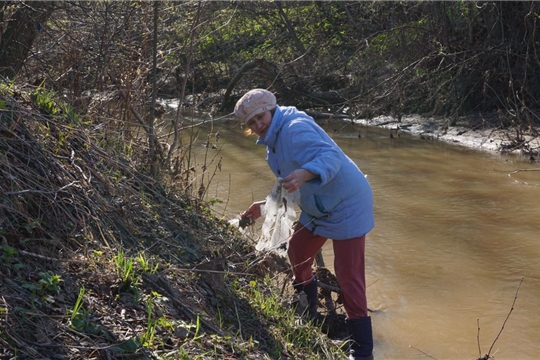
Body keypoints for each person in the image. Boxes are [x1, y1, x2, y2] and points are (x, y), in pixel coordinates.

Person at [234, 89, 375, 360]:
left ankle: (362, 349)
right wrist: (262, 208)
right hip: (319, 204)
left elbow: (331, 158)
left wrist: (304, 172)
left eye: (260, 117)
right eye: (251, 123)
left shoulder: (295, 128)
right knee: (297, 251)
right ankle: (307, 308)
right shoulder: (272, 144)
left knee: (348, 274)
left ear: (271, 110)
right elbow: (289, 187)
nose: (258, 125)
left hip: (347, 203)